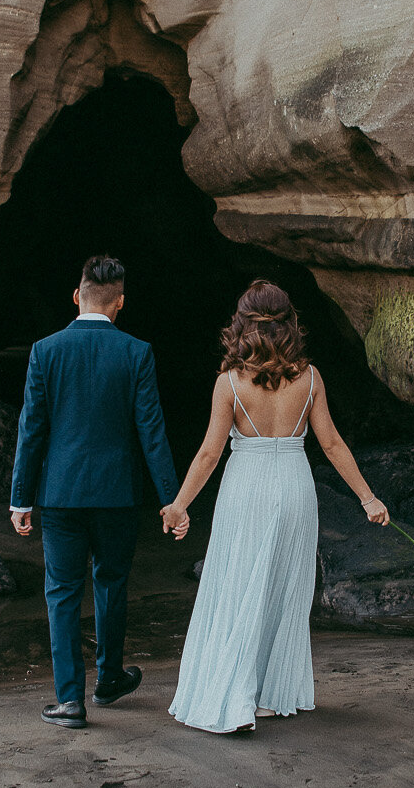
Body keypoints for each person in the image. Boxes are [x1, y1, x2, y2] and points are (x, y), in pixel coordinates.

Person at [161, 280, 390, 734]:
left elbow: (209, 454)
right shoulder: (309, 377)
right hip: (295, 487)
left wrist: (179, 505)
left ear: (242, 324)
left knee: (238, 586)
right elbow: (331, 443)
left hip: (246, 488)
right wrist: (368, 497)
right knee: (283, 589)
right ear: (289, 324)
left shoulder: (229, 382)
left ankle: (235, 695)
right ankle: (267, 694)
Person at [9, 255, 180, 729]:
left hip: (60, 494)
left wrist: (20, 497)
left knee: (62, 593)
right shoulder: (137, 352)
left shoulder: (45, 350)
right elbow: (152, 432)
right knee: (111, 583)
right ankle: (107, 680)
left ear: (75, 295)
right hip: (116, 495)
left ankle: (69, 701)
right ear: (120, 302)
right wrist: (171, 499)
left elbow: (32, 430)